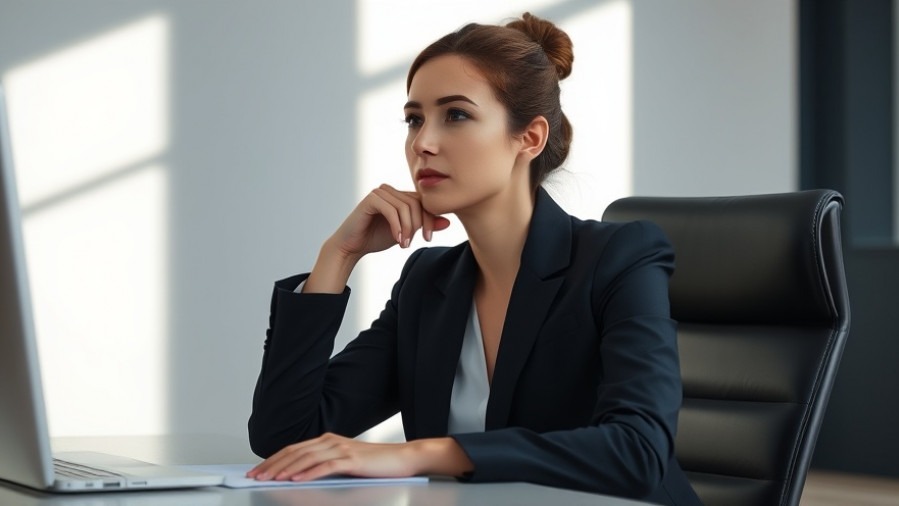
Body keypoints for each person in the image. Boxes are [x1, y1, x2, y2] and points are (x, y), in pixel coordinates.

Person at [246, 12, 702, 505]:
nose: (423, 143)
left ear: (529, 138)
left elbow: (637, 452)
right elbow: (287, 438)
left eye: (456, 115)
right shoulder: (429, 283)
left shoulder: (619, 258)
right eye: (414, 119)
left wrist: (417, 454)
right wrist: (337, 256)